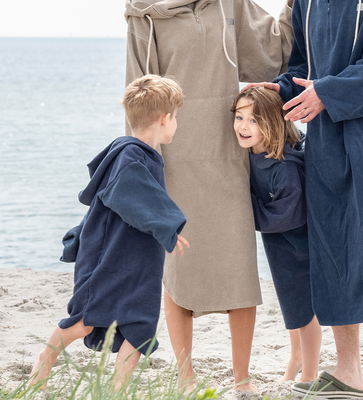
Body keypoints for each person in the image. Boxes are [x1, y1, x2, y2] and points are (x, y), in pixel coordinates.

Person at [124, 0, 294, 393]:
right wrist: (143, 165)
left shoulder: (228, 2)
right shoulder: (142, 12)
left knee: (238, 264)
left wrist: (291, 6)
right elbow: (138, 95)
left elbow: (270, 54)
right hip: (174, 158)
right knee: (179, 267)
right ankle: (186, 376)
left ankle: (242, 379)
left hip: (226, 152)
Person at [245, 0, 363, 398]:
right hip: (326, 141)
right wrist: (279, 88)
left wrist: (327, 93)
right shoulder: (309, 2)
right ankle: (348, 372)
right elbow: (304, 69)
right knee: (333, 249)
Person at [29, 75, 189, 392]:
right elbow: (129, 192)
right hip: (111, 256)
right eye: (176, 117)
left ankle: (116, 390)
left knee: (140, 325)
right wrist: (167, 223)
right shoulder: (130, 156)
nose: (176, 124)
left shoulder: (138, 153)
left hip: (139, 258)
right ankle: (40, 370)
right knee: (86, 318)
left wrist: (162, 229)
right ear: (165, 118)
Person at [231, 87, 321, 383]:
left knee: (304, 311)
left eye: (254, 120)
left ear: (272, 123)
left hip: (299, 246)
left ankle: (309, 373)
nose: (243, 126)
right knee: (290, 306)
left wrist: (247, 209)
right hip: (279, 246)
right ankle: (295, 358)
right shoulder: (252, 155)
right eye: (239, 117)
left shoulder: (285, 168)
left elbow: (288, 213)